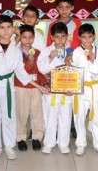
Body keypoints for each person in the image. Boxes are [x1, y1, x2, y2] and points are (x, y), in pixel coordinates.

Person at [0, 15, 48, 161]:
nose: (5, 30)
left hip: (8, 85)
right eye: (2, 27)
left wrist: (39, 87)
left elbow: (22, 73)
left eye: (8, 27)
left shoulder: (15, 50)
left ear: (13, 29)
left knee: (9, 115)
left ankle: (9, 145)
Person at [46, 0, 82, 138]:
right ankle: (55, 127)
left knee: (71, 92)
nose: (64, 10)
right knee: (59, 91)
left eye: (67, 7)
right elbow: (49, 44)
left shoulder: (77, 23)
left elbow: (79, 42)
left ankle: (72, 125)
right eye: (61, 7)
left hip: (72, 59)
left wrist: (70, 54)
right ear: (57, 9)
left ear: (72, 8)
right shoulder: (52, 25)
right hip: (57, 61)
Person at [72, 24, 98, 156]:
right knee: (79, 117)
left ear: (94, 37)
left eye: (89, 37)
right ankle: (81, 143)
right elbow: (74, 71)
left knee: (97, 117)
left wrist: (94, 61)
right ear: (79, 38)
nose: (87, 40)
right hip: (81, 89)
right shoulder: (76, 52)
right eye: (84, 37)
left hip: (95, 88)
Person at [37, 22, 72, 154]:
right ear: (52, 37)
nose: (60, 40)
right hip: (51, 90)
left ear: (67, 36)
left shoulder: (71, 51)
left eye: (63, 37)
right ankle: (49, 142)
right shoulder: (46, 51)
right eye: (57, 37)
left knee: (65, 117)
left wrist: (72, 88)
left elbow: (75, 71)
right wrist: (50, 58)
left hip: (66, 90)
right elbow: (42, 68)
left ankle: (63, 143)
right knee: (50, 116)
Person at [15, 24, 47, 151]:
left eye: (30, 37)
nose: (27, 40)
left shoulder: (38, 52)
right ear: (20, 38)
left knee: (37, 113)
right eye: (24, 37)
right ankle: (21, 138)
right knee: (22, 113)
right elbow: (22, 71)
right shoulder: (16, 53)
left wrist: (44, 83)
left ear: (34, 38)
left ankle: (37, 137)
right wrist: (30, 62)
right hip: (21, 86)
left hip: (36, 87)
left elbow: (40, 70)